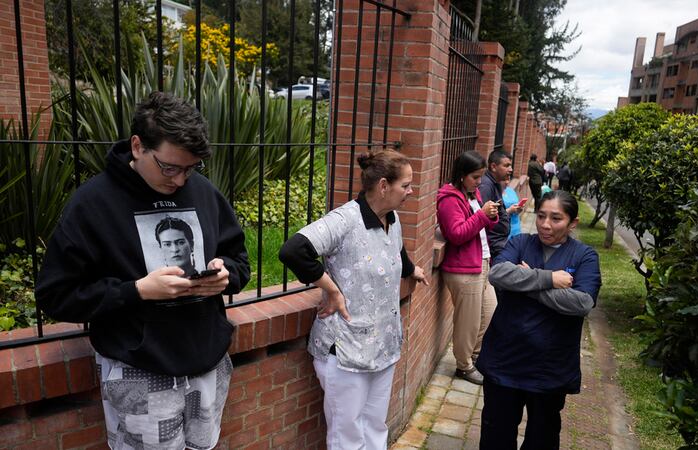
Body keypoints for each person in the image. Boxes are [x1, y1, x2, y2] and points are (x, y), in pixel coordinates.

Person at [35, 92, 250, 450]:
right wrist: (136, 291)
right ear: (137, 146)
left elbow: (239, 261)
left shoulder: (205, 193)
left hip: (206, 365)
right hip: (138, 371)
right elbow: (56, 295)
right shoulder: (92, 204)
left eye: (190, 168)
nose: (180, 180)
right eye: (170, 167)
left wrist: (225, 275)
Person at [279, 150, 429, 450]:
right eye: (406, 185)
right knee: (346, 435)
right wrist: (331, 289)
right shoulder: (345, 219)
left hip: (383, 345)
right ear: (384, 185)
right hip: (345, 349)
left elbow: (394, 251)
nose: (412, 192)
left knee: (375, 426)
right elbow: (293, 251)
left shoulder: (392, 218)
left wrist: (412, 269)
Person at [477, 190, 602, 450]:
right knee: (495, 437)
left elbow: (581, 303)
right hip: (505, 361)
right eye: (541, 216)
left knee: (541, 439)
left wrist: (527, 283)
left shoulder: (584, 256)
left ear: (572, 223)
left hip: (549, 368)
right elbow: (498, 274)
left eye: (556, 218)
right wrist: (549, 279)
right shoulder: (521, 242)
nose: (545, 224)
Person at [437, 150, 499, 385]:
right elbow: (457, 234)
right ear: (462, 175)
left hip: (482, 263)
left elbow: (483, 226)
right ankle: (464, 366)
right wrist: (482, 216)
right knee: (468, 323)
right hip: (463, 270)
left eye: (481, 176)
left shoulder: (473, 194)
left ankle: (475, 356)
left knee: (491, 312)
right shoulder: (450, 199)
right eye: (475, 176)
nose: (480, 181)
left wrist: (489, 215)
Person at [478, 149, 513, 260]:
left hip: (498, 243)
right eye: (506, 166)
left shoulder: (495, 183)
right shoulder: (486, 186)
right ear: (493, 166)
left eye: (510, 166)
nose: (510, 170)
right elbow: (481, 216)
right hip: (493, 245)